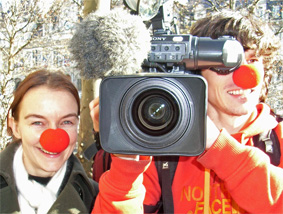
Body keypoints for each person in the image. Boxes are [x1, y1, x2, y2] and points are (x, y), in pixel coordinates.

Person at [90, 9, 283, 213]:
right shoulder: (167, 146)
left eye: (252, 60)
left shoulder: (278, 137)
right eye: (226, 63)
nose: (244, 75)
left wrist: (217, 147)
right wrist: (126, 163)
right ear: (197, 73)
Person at [0, 69, 150, 214]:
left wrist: (125, 163)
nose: (54, 138)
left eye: (66, 122)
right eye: (38, 123)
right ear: (15, 126)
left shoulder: (94, 197)